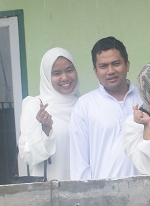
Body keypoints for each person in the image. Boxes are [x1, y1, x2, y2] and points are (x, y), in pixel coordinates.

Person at [69, 37, 142, 180]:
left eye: (116, 63)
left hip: (147, 192)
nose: (110, 71)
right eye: (103, 66)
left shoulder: (145, 99)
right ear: (95, 71)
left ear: (127, 65)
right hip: (103, 196)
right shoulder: (85, 105)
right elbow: (80, 163)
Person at [17, 47, 81, 181]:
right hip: (49, 192)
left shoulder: (83, 105)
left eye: (69, 70)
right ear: (46, 76)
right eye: (56, 73)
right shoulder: (35, 106)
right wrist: (46, 130)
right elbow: (28, 156)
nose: (65, 78)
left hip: (83, 189)